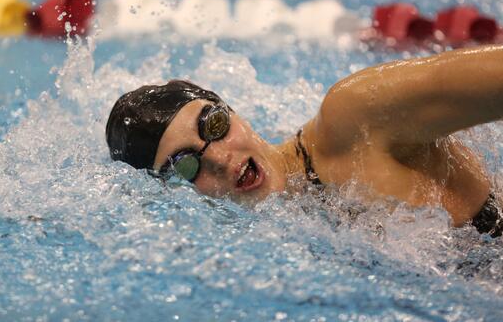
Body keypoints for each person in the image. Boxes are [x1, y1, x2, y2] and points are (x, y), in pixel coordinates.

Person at [106, 45, 503, 236]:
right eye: (186, 166)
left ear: (231, 108)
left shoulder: (353, 117)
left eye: (214, 126)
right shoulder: (284, 233)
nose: (224, 160)